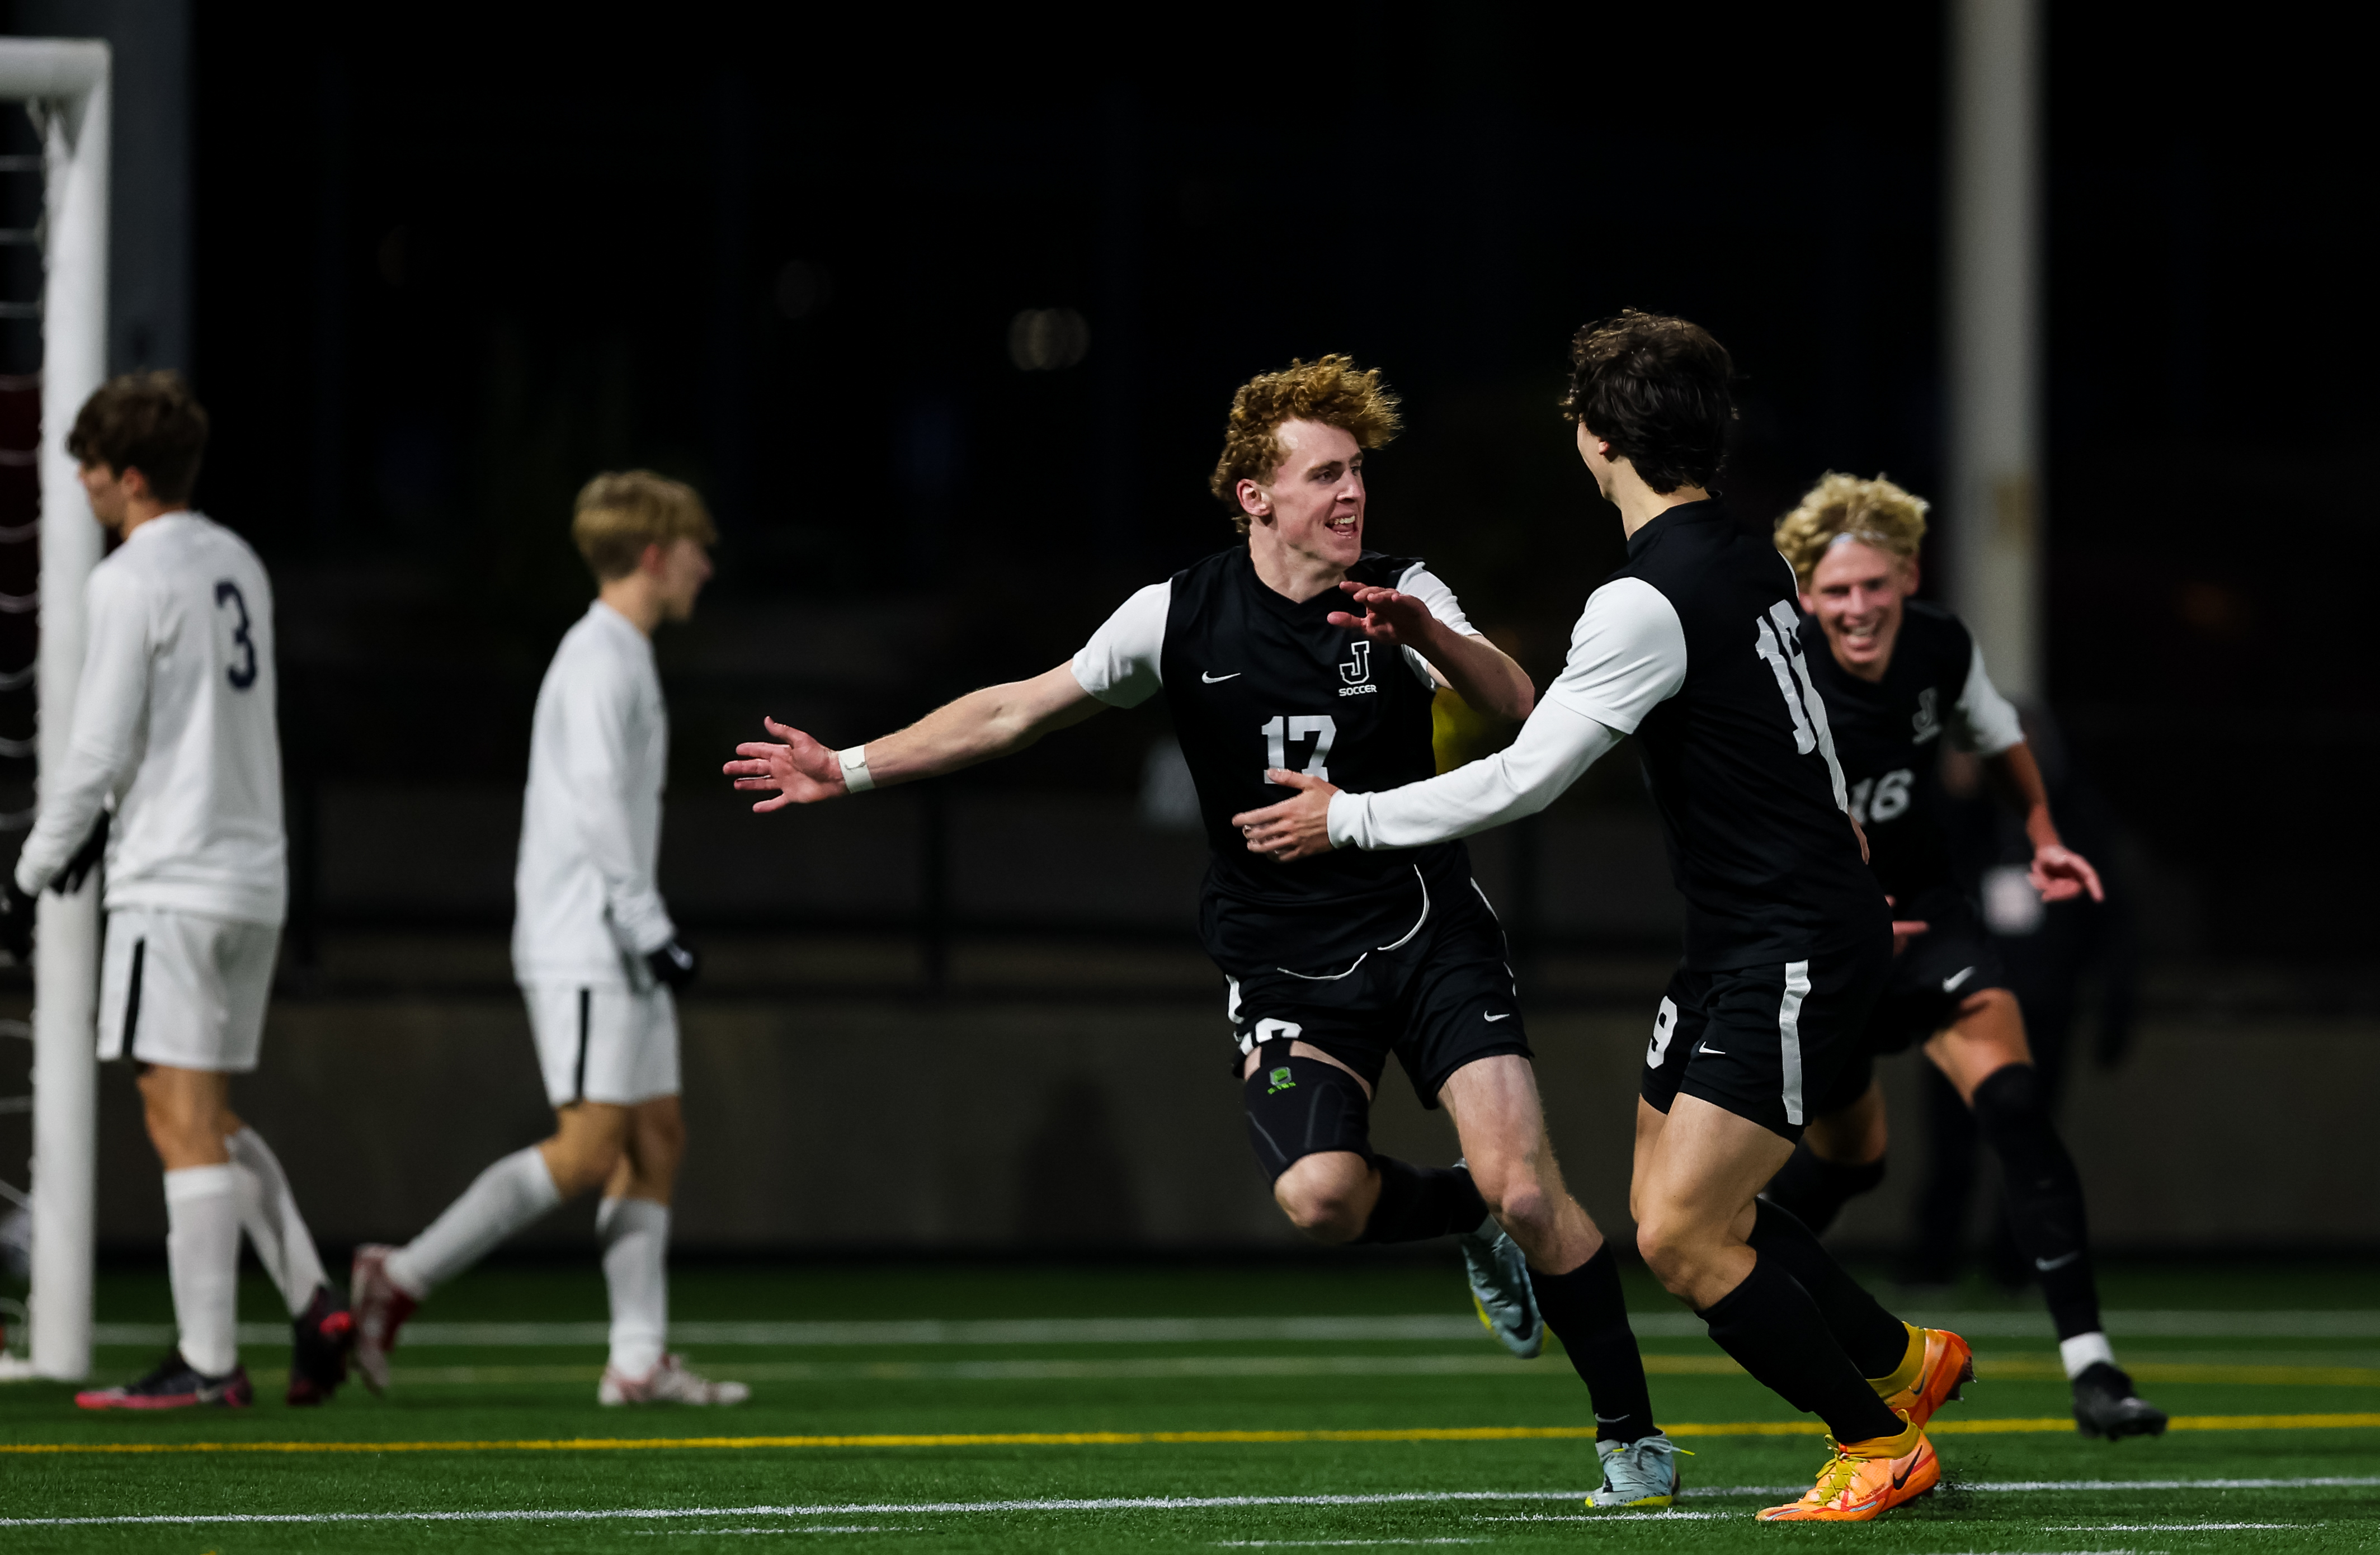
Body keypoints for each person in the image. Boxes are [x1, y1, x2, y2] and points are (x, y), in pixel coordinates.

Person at [724, 356, 1684, 1509]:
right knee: (1321, 1198)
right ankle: (1458, 1213)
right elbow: (1016, 708)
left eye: (1358, 473)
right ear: (1254, 497)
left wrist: (1425, 630)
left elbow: (1516, 704)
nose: (1349, 495)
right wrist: (852, 766)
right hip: (1281, 955)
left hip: (1426, 928)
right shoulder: (1176, 614)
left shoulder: (1398, 587)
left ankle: (1632, 1440)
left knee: (1532, 1189)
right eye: (1322, 475)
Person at [1235, 314, 1971, 1523]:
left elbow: (1527, 775)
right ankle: (1900, 1358)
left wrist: (1347, 817)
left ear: (1597, 441)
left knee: (1685, 1237)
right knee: (1673, 1207)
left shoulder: (1644, 597)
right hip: (1747, 935)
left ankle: (1875, 1438)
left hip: (1786, 944)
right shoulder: (1735, 555)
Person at [1760, 473, 2165, 1439]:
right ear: (1807, 596)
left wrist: (2040, 826)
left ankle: (2094, 1371)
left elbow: (1997, 733)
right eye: (1836, 591)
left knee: (2017, 1107)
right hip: (1831, 943)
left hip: (1932, 926)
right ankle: (1748, 1290)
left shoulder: (1941, 644)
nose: (1859, 609)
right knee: (1850, 1166)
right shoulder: (1777, 670)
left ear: (1907, 577)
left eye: (1876, 586)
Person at [348, 472, 746, 1407]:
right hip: (587, 940)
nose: (706, 565)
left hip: (615, 938)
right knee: (586, 1152)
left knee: (658, 1137)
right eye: (696, 547)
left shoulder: (622, 652)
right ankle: (398, 1279)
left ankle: (637, 1360)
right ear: (654, 555)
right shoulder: (600, 657)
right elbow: (603, 809)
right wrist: (651, 930)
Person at [0, 372, 351, 1408]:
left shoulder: (130, 577)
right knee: (205, 1110)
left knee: (175, 1117)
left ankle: (207, 1362)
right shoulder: (238, 560)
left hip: (176, 875)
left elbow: (100, 746)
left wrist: (26, 876)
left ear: (133, 478)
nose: (79, 482)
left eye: (93, 468)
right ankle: (315, 1300)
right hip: (254, 874)